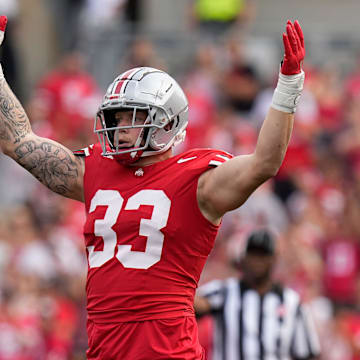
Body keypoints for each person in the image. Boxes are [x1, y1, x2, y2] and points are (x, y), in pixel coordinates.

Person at [0, 14, 306, 359]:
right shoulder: (96, 169)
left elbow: (265, 162)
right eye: (116, 117)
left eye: (133, 116)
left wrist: (289, 84)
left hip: (167, 350)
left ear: (167, 121)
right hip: (105, 349)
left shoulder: (197, 179)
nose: (121, 127)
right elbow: (17, 140)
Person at [194, 229, 321, 360]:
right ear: (244, 258)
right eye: (253, 254)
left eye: (263, 255)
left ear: (274, 260)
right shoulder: (225, 292)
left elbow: (307, 352)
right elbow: (192, 305)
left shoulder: (291, 302)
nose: (257, 260)